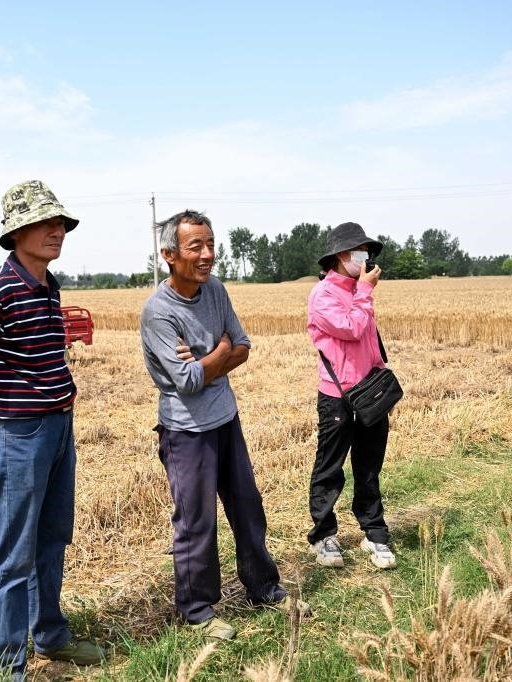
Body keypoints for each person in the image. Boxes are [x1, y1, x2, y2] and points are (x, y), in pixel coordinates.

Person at [0, 179, 107, 679]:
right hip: (20, 435)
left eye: (60, 223)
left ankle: (50, 637)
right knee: (12, 554)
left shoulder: (48, 286)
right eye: (45, 223)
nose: (57, 231)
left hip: (59, 428)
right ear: (16, 232)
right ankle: (6, 664)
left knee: (52, 539)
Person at [140, 210, 309, 642]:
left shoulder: (215, 289)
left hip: (225, 419)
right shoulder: (159, 312)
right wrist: (218, 353)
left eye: (211, 244)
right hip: (185, 432)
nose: (207, 254)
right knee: (197, 523)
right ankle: (197, 609)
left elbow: (243, 346)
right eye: (195, 246)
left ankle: (264, 587)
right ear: (169, 255)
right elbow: (187, 381)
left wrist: (206, 362)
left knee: (248, 508)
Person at [305, 222, 398, 570]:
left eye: (368, 252)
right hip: (337, 397)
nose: (366, 257)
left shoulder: (359, 290)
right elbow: (352, 327)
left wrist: (381, 382)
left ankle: (374, 532)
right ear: (342, 255)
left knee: (369, 466)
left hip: (369, 393)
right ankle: (324, 534)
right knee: (330, 467)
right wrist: (365, 292)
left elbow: (369, 344)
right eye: (361, 252)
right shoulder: (324, 295)